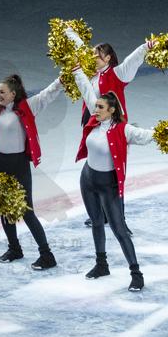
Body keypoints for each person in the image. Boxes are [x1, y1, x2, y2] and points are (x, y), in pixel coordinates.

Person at [0, 74, 63, 269]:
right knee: (4, 207)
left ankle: (47, 255)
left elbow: (47, 94)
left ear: (13, 94)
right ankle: (14, 248)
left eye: (2, 92)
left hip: (18, 165)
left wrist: (60, 81)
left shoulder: (28, 106)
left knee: (26, 211)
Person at [72, 67, 156, 290]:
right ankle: (102, 265)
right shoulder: (95, 120)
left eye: (100, 107)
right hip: (87, 180)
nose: (95, 109)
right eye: (96, 106)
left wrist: (162, 132)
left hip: (108, 186)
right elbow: (86, 90)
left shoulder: (124, 129)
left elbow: (145, 136)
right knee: (96, 223)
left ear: (112, 110)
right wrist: (77, 71)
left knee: (119, 229)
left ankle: (136, 274)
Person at [65, 27, 156, 229]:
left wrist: (146, 47)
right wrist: (70, 33)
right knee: (95, 167)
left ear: (107, 58)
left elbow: (132, 60)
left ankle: (119, 220)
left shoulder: (117, 74)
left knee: (114, 172)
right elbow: (82, 50)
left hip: (113, 129)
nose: (92, 58)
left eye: (97, 56)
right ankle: (100, 214)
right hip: (94, 126)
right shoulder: (93, 73)